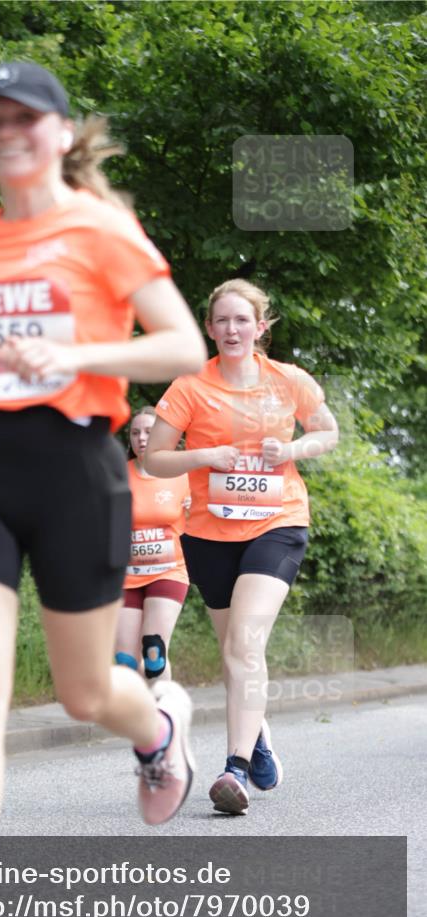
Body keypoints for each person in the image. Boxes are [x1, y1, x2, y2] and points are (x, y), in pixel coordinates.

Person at [0, 61, 206, 917]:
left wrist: (74, 354)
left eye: (23, 117)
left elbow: (181, 343)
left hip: (76, 466)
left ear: (60, 131)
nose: (5, 132)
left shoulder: (101, 228)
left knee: (85, 695)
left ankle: (158, 731)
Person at [144, 278, 338, 816]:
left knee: (246, 645)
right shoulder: (190, 386)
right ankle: (258, 735)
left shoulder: (289, 380)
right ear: (210, 328)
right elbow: (154, 458)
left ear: (260, 327)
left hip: (278, 522)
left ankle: (235, 769)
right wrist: (205, 457)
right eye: (223, 320)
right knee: (234, 652)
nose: (232, 329)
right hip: (209, 533)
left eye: (242, 320)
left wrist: (292, 449)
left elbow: (327, 432)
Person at [115, 406, 191, 684]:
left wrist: (195, 510)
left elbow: (203, 522)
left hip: (168, 572)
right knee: (125, 661)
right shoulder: (117, 474)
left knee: (154, 651)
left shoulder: (182, 474)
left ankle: (164, 710)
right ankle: (138, 711)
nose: (142, 438)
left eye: (148, 431)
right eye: (135, 433)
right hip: (127, 575)